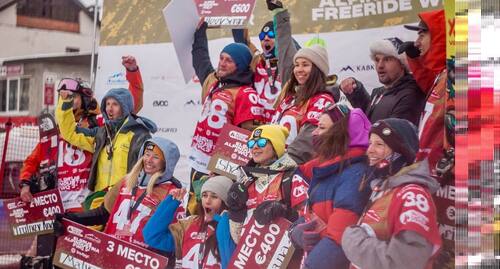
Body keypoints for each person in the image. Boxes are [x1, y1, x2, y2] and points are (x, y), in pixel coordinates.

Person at [19, 55, 144, 211]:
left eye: (74, 96)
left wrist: (132, 71)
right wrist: (25, 185)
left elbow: (129, 106)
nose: (68, 99)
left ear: (84, 99)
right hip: (53, 204)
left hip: (85, 203)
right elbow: (32, 162)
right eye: (65, 96)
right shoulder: (54, 132)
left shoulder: (99, 124)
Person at [341, 118, 442, 269]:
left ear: (401, 151)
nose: (370, 150)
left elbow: (405, 261)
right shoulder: (384, 186)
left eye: (379, 144)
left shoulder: (412, 195)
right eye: (370, 143)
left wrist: (354, 242)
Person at [188, 19, 264, 214]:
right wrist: (199, 33)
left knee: (213, 219)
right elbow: (200, 61)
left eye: (228, 60)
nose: (222, 63)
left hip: (219, 170)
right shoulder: (214, 83)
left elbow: (245, 138)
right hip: (198, 163)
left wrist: (224, 169)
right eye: (221, 58)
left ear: (240, 65)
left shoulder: (247, 93)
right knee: (194, 215)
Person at [398, 9, 455, 268]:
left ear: (442, 35)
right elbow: (429, 83)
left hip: (448, 181)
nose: (417, 41)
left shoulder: (458, 75)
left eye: (423, 33)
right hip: (428, 175)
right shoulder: (443, 75)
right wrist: (415, 60)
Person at [55, 137, 183, 249]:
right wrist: (70, 218)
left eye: (155, 157)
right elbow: (103, 213)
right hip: (111, 254)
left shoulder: (171, 193)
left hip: (140, 261)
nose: (149, 160)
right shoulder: (127, 181)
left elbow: (170, 239)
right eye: (147, 154)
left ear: (166, 163)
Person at [288, 106, 372, 269]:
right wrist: (295, 232)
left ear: (340, 134)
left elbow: (340, 239)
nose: (314, 133)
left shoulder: (355, 174)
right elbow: (310, 214)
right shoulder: (326, 167)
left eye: (322, 127)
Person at [56, 85, 156, 213]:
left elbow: (146, 171)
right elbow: (70, 133)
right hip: (99, 198)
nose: (110, 108)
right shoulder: (101, 133)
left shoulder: (138, 135)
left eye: (115, 104)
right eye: (107, 103)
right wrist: (65, 103)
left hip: (124, 199)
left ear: (125, 107)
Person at [225, 125, 308, 241]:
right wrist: (236, 210)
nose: (255, 147)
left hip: (285, 253)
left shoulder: (291, 176)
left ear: (276, 147)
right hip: (252, 254)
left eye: (262, 142)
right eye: (251, 143)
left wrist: (286, 212)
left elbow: (309, 219)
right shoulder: (246, 181)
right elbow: (238, 239)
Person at [143, 176, 235, 269]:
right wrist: (171, 203)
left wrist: (224, 222)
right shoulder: (191, 222)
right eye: (204, 195)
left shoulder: (234, 227)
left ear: (225, 202)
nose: (207, 201)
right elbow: (152, 237)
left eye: (214, 197)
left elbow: (231, 262)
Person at [339, 37, 425, 125]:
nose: (380, 65)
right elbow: (369, 121)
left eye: (387, 59)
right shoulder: (380, 92)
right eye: (377, 60)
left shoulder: (410, 95)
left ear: (402, 63)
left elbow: (393, 134)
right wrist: (356, 91)